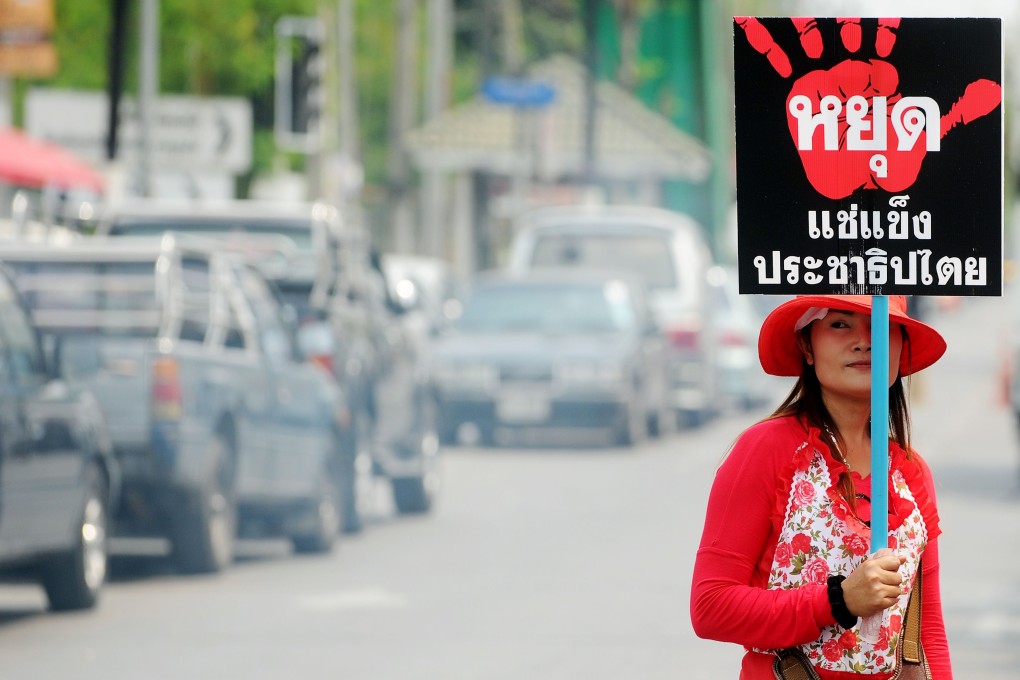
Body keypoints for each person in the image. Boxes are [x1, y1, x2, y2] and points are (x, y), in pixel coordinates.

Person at [690, 295, 952, 678]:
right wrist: (838, 601)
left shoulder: (911, 471)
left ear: (900, 346)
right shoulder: (766, 449)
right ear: (806, 347)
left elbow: (927, 631)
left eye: (881, 327)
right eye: (840, 324)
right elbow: (710, 607)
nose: (864, 341)